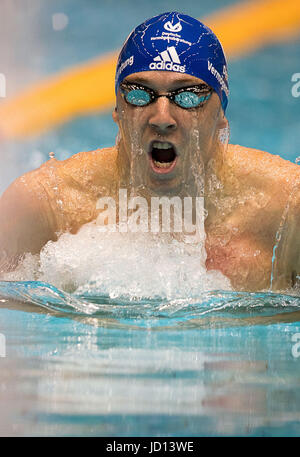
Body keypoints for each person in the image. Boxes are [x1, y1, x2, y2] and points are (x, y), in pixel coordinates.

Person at [0, 11, 299, 292]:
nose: (162, 118)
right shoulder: (47, 207)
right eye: (140, 94)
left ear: (220, 113)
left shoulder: (285, 212)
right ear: (117, 110)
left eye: (188, 96)